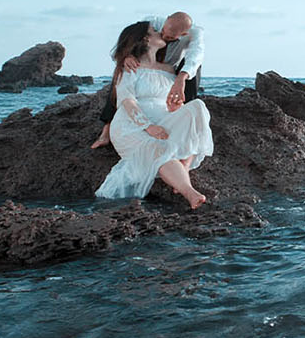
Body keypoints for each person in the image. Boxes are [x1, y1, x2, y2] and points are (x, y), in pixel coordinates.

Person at [95, 19, 214, 207]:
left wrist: (175, 108)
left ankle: (184, 167)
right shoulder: (130, 67)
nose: (159, 32)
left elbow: (170, 100)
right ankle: (189, 192)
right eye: (154, 31)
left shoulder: (169, 68)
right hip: (132, 124)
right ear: (145, 39)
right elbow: (127, 100)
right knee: (159, 150)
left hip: (163, 119)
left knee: (197, 107)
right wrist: (148, 126)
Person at [91, 11, 204, 149]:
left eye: (169, 37)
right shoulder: (152, 23)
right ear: (167, 19)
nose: (163, 36)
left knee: (195, 67)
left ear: (184, 34)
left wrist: (181, 78)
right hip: (146, 60)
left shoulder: (195, 34)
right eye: (163, 31)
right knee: (124, 74)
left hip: (172, 67)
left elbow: (195, 57)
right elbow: (130, 39)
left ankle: (184, 111)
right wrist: (127, 56)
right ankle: (107, 128)